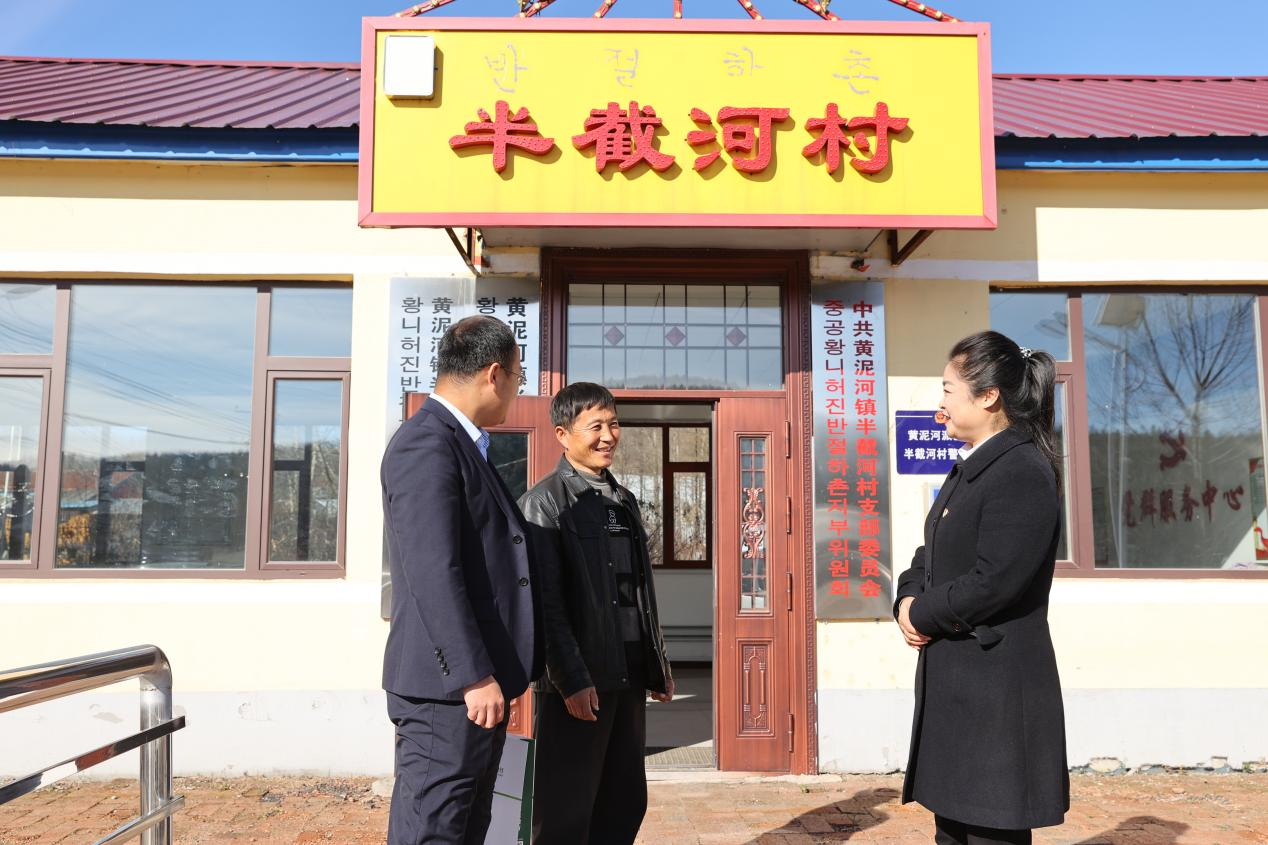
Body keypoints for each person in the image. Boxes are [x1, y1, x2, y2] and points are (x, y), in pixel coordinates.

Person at [894, 330, 1069, 845]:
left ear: (988, 396)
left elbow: (995, 581)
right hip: (959, 688)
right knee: (952, 832)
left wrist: (922, 615)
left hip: (997, 694)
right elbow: (930, 552)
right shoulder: (971, 469)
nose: (940, 404)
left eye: (948, 390)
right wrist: (906, 600)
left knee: (991, 832)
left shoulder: (1022, 471)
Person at [381, 315, 542, 845]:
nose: (517, 391)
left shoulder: (465, 445)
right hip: (446, 693)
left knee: (467, 828)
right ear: (494, 374)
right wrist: (472, 675)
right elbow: (433, 571)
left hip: (472, 688)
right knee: (434, 831)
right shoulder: (426, 444)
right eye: (518, 378)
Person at [518, 382, 674, 845]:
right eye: (595, 426)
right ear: (563, 434)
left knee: (623, 801)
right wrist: (571, 679)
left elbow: (638, 591)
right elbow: (545, 603)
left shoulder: (622, 499)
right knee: (565, 809)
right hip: (579, 682)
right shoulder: (545, 503)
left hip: (626, 675)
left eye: (614, 424)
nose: (608, 436)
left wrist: (657, 664)